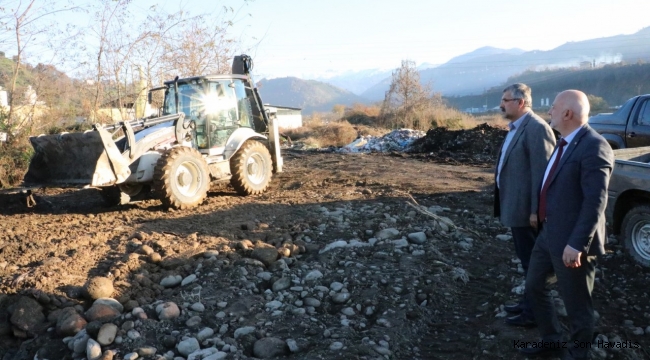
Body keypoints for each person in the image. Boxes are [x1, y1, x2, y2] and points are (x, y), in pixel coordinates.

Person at [519, 90, 614, 360]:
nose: (549, 111)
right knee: (534, 285)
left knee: (578, 305)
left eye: (553, 107)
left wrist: (577, 243)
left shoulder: (594, 146)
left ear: (567, 113)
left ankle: (577, 353)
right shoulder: (564, 143)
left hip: (573, 241)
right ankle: (552, 340)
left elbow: (596, 202)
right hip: (550, 233)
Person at [494, 83, 556, 327]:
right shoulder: (516, 127)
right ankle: (527, 304)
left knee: (534, 263)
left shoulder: (537, 128)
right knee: (526, 260)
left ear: (521, 103)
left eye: (506, 100)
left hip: (527, 213)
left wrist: (535, 210)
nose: (501, 105)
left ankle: (533, 314)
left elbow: (543, 175)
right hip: (516, 208)